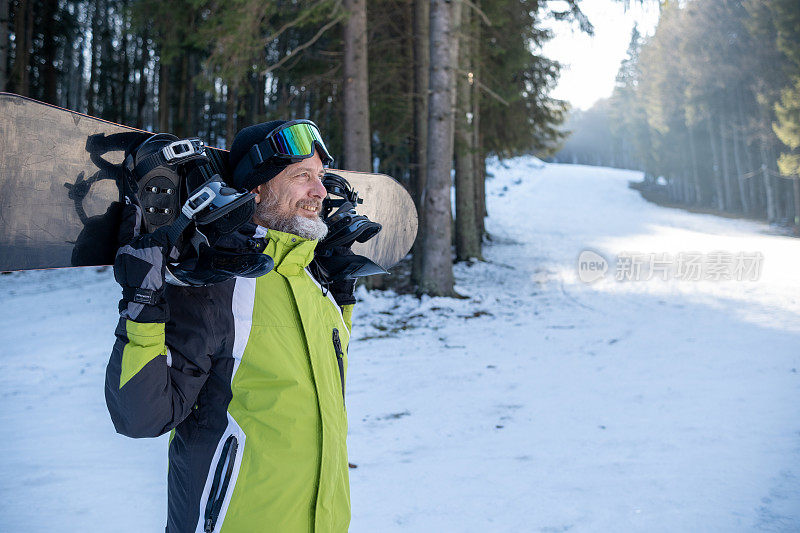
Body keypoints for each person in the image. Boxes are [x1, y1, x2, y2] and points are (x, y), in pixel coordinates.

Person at [105, 120, 356, 532]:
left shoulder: (313, 280)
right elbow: (141, 417)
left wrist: (341, 294)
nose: (320, 192)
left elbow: (327, 387)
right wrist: (143, 304)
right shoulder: (219, 287)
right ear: (257, 189)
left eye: (322, 178)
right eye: (302, 177)